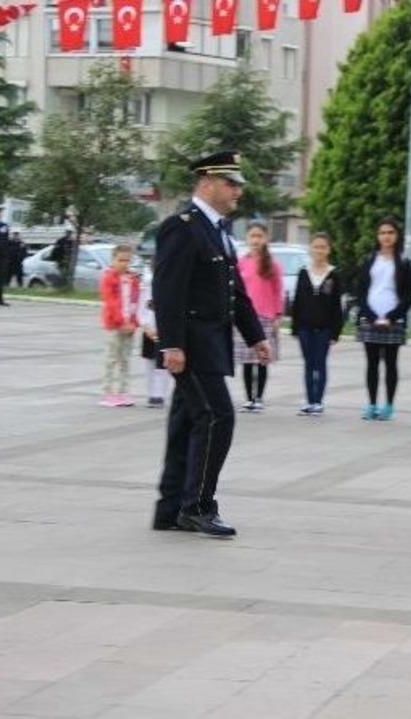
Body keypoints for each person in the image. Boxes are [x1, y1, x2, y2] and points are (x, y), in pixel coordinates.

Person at [151, 151, 271, 538]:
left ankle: (171, 508)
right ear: (206, 183)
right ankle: (198, 506)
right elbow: (167, 289)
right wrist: (171, 344)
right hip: (191, 346)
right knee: (218, 417)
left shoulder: (217, 229)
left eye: (237, 184)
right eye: (230, 183)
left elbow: (234, 292)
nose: (237, 190)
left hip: (210, 344)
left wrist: (256, 335)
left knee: (186, 423)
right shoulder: (182, 227)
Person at [355, 216, 411, 421]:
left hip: (393, 321)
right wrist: (371, 316)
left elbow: (408, 295)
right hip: (370, 319)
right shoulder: (369, 259)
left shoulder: (404, 262)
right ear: (377, 236)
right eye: (382, 233)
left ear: (396, 236)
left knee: (390, 363)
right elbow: (361, 291)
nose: (386, 236)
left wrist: (391, 316)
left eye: (390, 232)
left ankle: (388, 406)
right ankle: (372, 404)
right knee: (371, 364)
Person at [290, 232, 345, 416]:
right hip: (305, 327)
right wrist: (295, 327)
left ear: (329, 249)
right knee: (308, 363)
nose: (319, 250)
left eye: (323, 247)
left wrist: (335, 332)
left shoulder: (333, 275)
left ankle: (318, 401)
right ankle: (309, 401)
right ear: (310, 249)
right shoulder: (303, 272)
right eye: (316, 247)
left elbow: (337, 306)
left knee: (320, 363)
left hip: (325, 328)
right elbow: (297, 301)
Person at [234, 221, 284, 413]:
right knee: (247, 361)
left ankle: (259, 398)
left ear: (266, 239)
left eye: (259, 236)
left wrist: (278, 315)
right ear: (247, 238)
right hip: (246, 317)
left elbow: (278, 292)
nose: (255, 240)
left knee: (262, 359)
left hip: (266, 317)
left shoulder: (273, 265)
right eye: (252, 236)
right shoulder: (241, 262)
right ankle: (249, 398)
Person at [98, 244, 141, 407]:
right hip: (114, 325)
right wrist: (121, 322)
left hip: (130, 325)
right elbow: (111, 303)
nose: (124, 264)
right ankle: (108, 392)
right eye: (120, 260)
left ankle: (123, 391)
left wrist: (134, 322)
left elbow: (136, 301)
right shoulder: (109, 277)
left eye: (127, 260)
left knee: (125, 359)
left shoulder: (133, 278)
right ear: (113, 260)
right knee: (112, 359)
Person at [138, 265, 171, 408]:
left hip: (165, 330)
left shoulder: (171, 284)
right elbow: (141, 308)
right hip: (149, 329)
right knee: (149, 361)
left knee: (163, 363)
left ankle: (160, 394)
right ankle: (151, 393)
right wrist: (146, 326)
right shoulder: (147, 285)